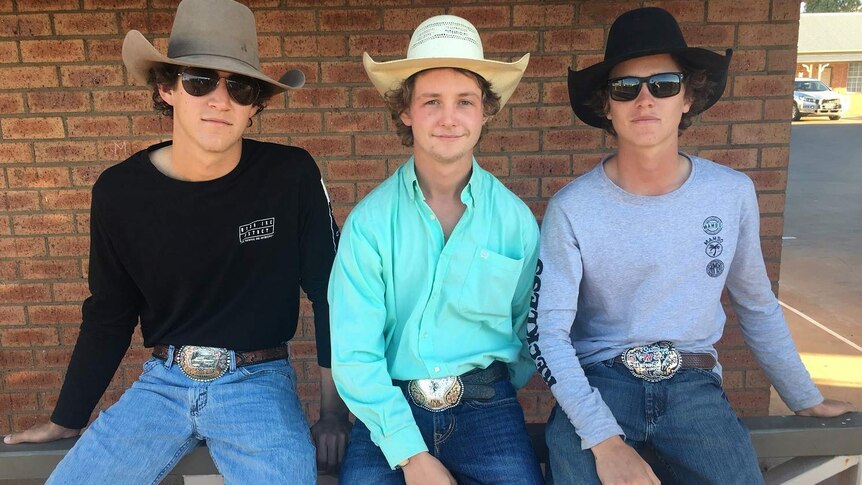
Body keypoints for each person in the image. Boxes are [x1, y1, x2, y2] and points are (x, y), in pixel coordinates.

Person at [3, 0, 350, 482]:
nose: (219, 99)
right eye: (200, 80)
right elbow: (110, 310)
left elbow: (331, 291)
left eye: (241, 87)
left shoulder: (289, 175)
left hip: (259, 382)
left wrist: (334, 414)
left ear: (255, 105)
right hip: (161, 384)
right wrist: (68, 416)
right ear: (166, 87)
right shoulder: (120, 192)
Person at [530, 7, 854, 485]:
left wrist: (801, 393)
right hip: (602, 383)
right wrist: (604, 439)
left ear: (687, 97)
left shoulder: (730, 192)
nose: (645, 99)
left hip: (694, 384)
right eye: (626, 88)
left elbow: (756, 302)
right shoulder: (571, 208)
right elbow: (547, 332)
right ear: (607, 105)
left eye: (663, 84)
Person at [328, 15, 543, 485]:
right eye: (431, 101)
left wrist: (488, 389)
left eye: (464, 101)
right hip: (388, 406)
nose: (449, 117)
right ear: (405, 111)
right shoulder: (370, 224)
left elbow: (527, 328)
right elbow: (354, 354)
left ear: (486, 111)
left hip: (486, 407)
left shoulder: (515, 222)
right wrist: (411, 455)